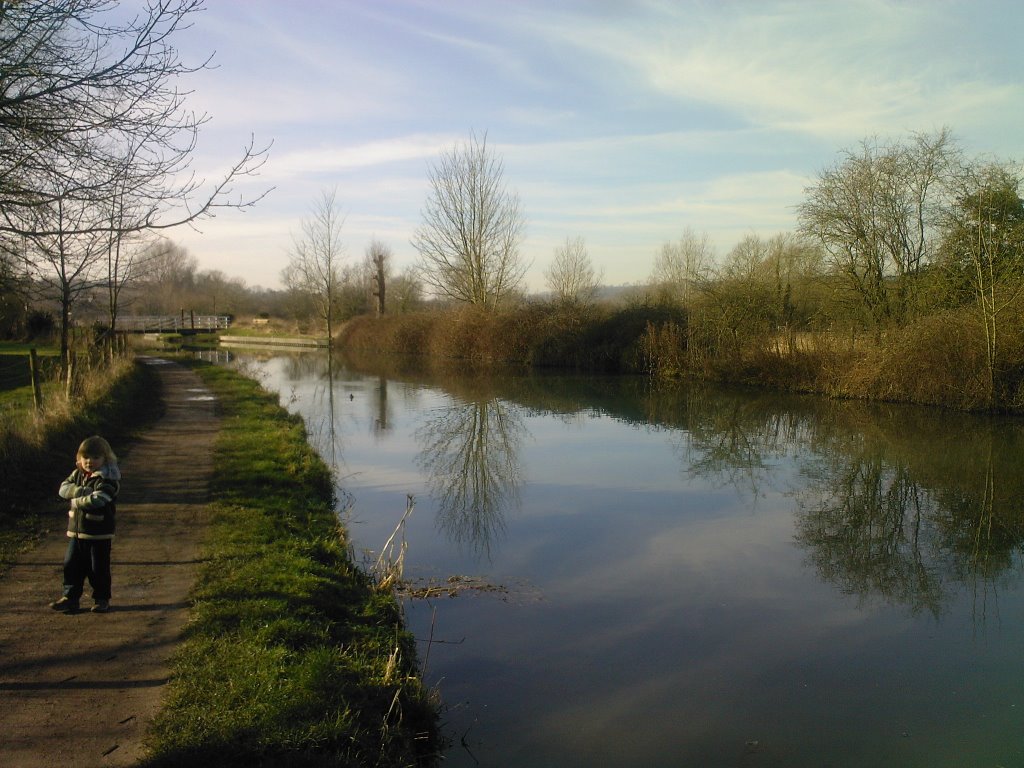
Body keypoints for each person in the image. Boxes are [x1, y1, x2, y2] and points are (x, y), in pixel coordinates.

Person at [49, 436, 121, 614]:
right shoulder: (78, 474)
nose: (89, 461)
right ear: (80, 458)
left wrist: (76, 501)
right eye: (86, 457)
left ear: (105, 459)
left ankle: (101, 598)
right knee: (71, 564)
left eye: (96, 457)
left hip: (99, 533)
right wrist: (80, 491)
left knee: (98, 568)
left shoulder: (108, 479)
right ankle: (70, 597)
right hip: (76, 532)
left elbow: (99, 500)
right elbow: (63, 489)